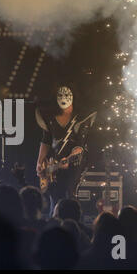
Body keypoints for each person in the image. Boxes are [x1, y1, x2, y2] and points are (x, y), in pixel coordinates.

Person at [36, 86, 96, 215]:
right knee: (54, 195)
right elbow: (46, 140)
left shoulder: (81, 118)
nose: (63, 98)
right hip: (54, 164)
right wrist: (40, 162)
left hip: (74, 162)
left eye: (67, 95)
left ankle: (71, 224)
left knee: (69, 193)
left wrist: (70, 158)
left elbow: (80, 145)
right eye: (60, 95)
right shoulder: (51, 118)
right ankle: (55, 223)